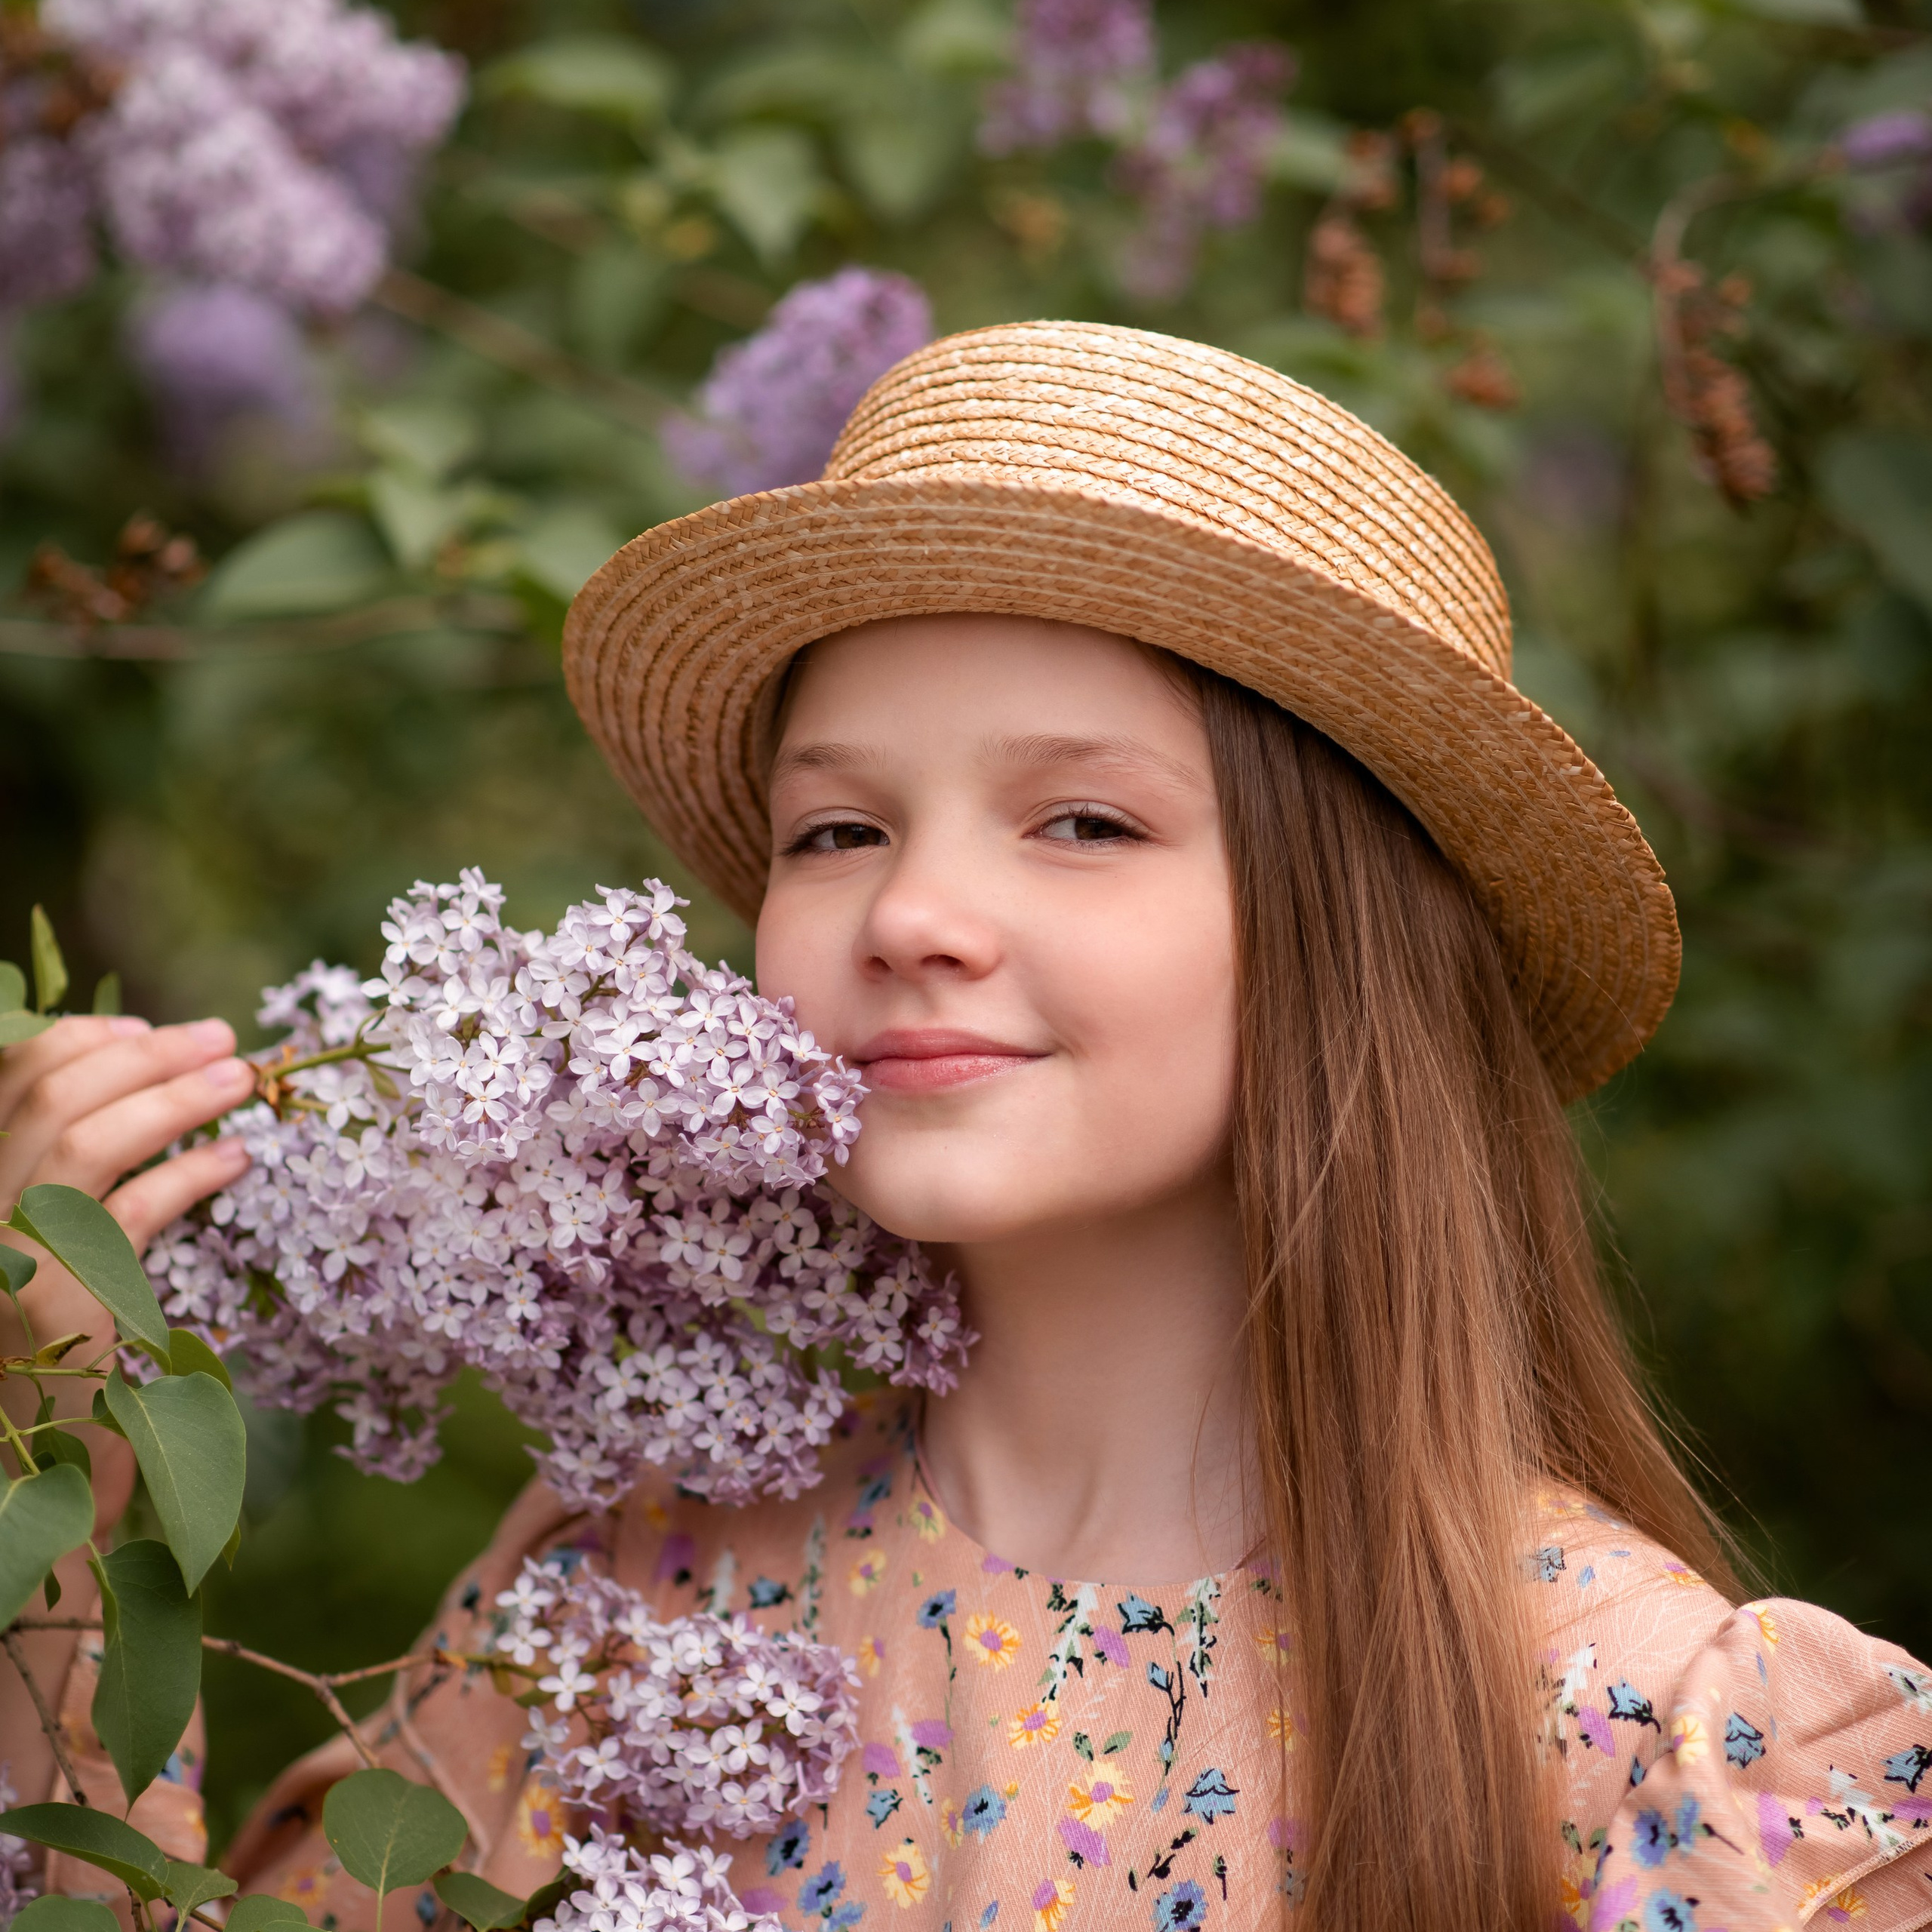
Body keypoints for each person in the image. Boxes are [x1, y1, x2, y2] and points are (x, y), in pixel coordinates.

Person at [5, 321, 1930, 1932]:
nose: (911, 911)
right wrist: (60, 1466)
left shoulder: (1661, 1743)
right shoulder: (641, 1601)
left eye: (1080, 820)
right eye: (836, 827)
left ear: (1346, 943)